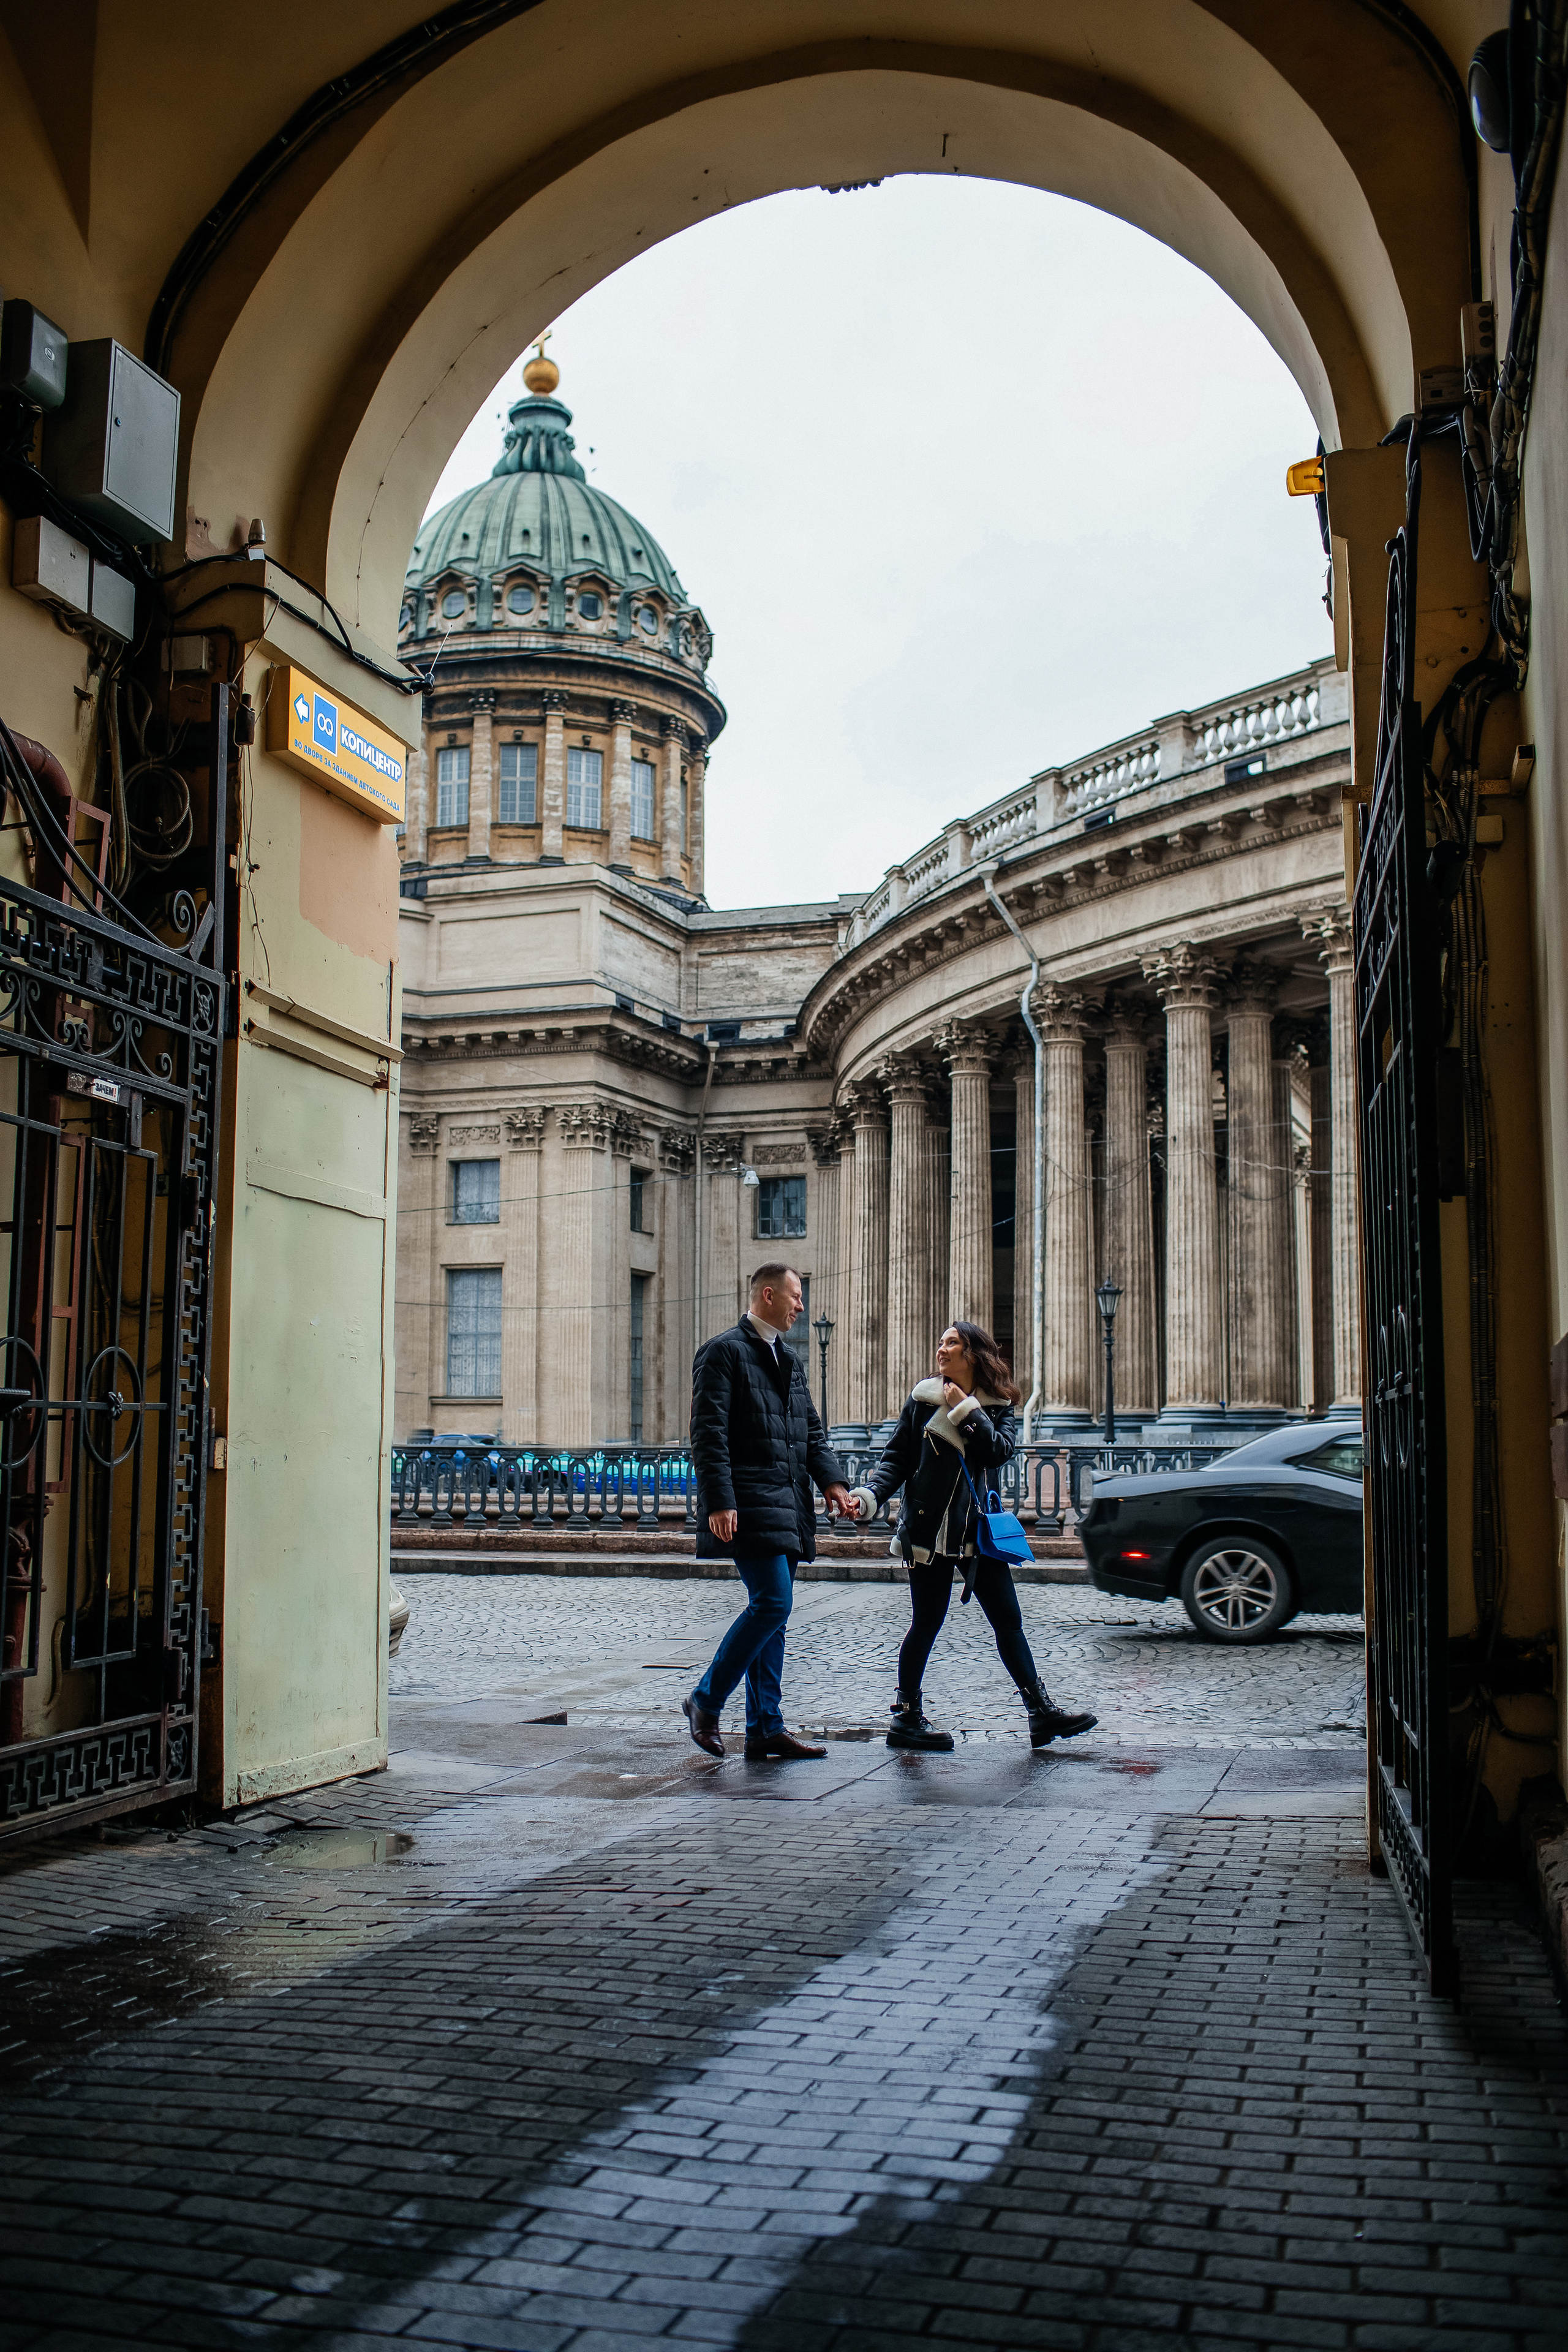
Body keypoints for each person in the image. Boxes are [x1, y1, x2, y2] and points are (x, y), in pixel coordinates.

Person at [847, 1320, 1098, 1752]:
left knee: (1008, 1622)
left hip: (975, 1532)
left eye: (952, 1343)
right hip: (928, 1530)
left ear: (972, 1354)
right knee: (926, 1623)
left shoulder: (998, 1405)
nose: (941, 1350)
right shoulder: (922, 1400)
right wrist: (869, 1495)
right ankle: (905, 1718)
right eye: (940, 1342)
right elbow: (897, 1459)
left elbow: (998, 1452)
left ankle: (1040, 1713)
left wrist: (966, 1410)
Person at [684, 1262, 856, 1760]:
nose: (801, 1307)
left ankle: (764, 1726)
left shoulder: (790, 1361)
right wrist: (719, 1499)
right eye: (795, 1297)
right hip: (748, 1504)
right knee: (773, 1603)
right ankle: (705, 1699)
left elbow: (812, 1432)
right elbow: (708, 1433)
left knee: (775, 1616)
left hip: (787, 1503)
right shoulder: (723, 1353)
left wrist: (833, 1484)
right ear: (767, 1295)